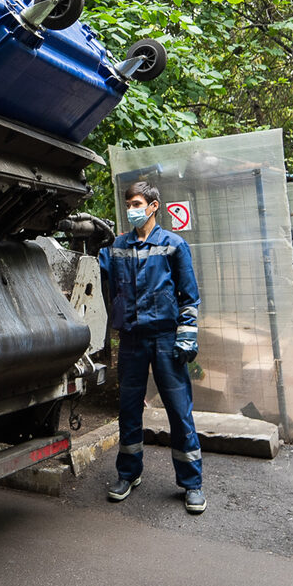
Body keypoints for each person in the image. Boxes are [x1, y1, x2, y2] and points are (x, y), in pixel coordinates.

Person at [97, 180, 205, 514]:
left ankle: (192, 484)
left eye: (137, 203)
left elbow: (189, 296)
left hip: (165, 340)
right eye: (129, 204)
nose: (132, 209)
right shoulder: (116, 247)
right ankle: (128, 474)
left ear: (154, 206)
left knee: (178, 410)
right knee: (129, 410)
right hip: (131, 341)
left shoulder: (174, 245)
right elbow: (104, 284)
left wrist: (186, 335)